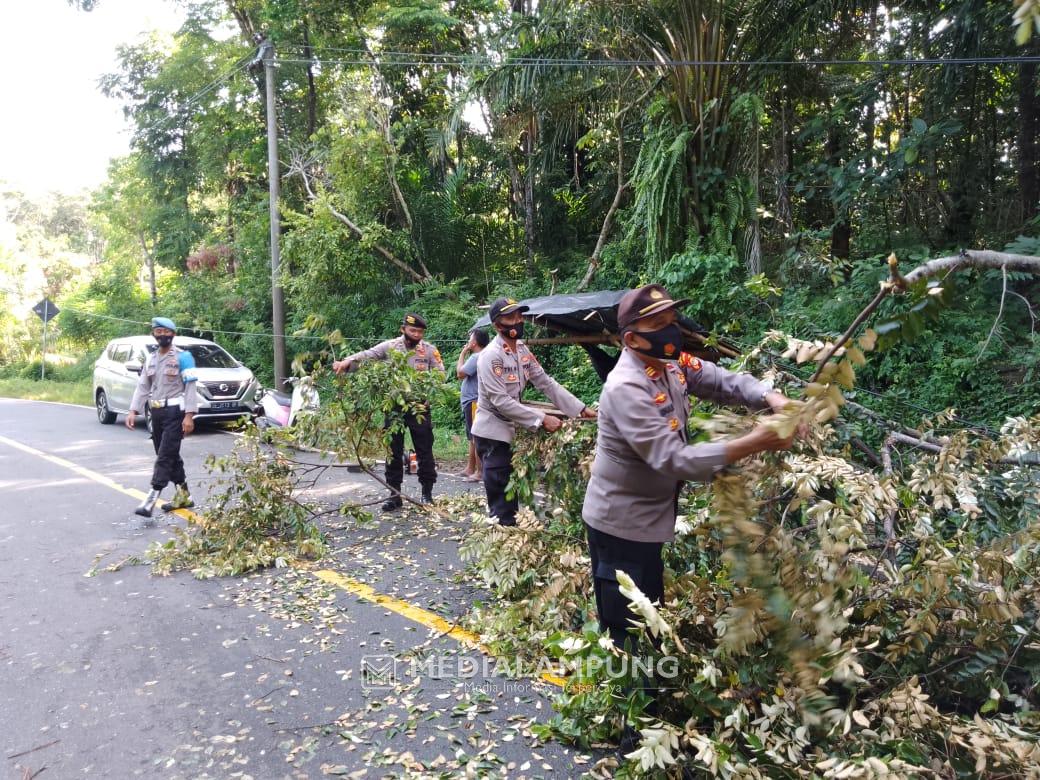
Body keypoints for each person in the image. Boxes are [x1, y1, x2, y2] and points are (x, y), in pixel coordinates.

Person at [582, 284, 797, 651]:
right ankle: (634, 692)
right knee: (630, 628)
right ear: (632, 338)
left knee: (651, 610)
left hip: (651, 518)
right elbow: (674, 459)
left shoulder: (670, 364)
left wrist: (770, 396)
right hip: (621, 525)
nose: (673, 330)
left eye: (672, 320)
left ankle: (652, 678)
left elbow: (720, 380)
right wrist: (757, 441)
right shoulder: (626, 387)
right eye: (660, 324)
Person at [471, 297, 597, 525]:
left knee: (512, 494)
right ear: (498, 325)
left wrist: (579, 408)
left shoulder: (521, 350)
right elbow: (500, 401)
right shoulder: (490, 356)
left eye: (520, 316)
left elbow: (545, 382)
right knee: (502, 500)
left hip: (510, 429)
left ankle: (509, 535)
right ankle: (503, 542)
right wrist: (541, 419)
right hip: (492, 433)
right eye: (511, 317)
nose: (518, 321)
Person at [333, 313, 445, 509]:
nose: (416, 335)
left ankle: (427, 494)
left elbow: (440, 375)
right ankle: (394, 495)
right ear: (403, 329)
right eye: (412, 331)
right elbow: (367, 356)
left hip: (420, 408)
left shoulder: (429, 351)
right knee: (393, 451)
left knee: (425, 451)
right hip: (394, 408)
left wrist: (429, 396)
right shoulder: (390, 347)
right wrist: (347, 362)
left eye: (420, 331)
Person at [127, 317, 199, 518]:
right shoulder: (150, 358)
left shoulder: (184, 357)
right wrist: (133, 410)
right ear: (154, 334)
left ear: (173, 334)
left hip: (175, 413)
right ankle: (184, 496)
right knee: (169, 454)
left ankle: (150, 499)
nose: (162, 335)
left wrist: (189, 416)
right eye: (158, 332)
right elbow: (143, 386)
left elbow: (191, 388)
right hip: (156, 413)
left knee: (164, 455)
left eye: (165, 332)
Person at [457, 327, 490, 482]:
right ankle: (470, 468)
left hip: (473, 401)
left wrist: (463, 353)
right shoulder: (482, 355)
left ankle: (479, 472)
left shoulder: (476, 356)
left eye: (470, 338)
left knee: (476, 437)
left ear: (475, 342)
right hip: (471, 401)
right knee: (472, 436)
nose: (468, 341)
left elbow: (460, 373)